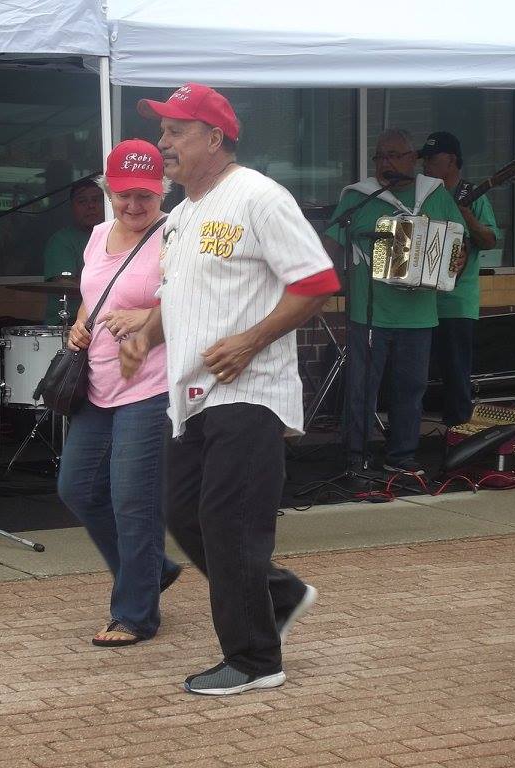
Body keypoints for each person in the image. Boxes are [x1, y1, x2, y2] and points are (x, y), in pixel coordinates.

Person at [121, 83, 337, 695]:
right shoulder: (182, 215)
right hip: (189, 396)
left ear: (215, 139)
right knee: (182, 512)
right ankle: (279, 595)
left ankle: (254, 660)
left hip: (250, 390)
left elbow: (317, 282)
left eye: (177, 131)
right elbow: (179, 294)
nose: (163, 144)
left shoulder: (259, 198)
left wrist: (250, 340)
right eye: (163, 131)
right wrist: (147, 333)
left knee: (229, 522)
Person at [55, 139, 182, 648]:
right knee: (78, 488)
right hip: (98, 383)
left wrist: (147, 320)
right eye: (124, 195)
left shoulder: (175, 233)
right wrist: (80, 327)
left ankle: (134, 614)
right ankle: (153, 569)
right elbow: (92, 296)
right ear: (108, 190)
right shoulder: (99, 234)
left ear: (162, 191)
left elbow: (194, 304)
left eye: (145, 196)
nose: (133, 206)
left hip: (149, 386)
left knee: (133, 500)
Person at [321, 129, 465, 476]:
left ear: (412, 159)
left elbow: (459, 240)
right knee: (361, 389)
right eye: (380, 156)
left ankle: (401, 457)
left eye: (394, 155)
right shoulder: (360, 198)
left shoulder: (435, 195)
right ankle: (356, 457)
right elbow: (331, 246)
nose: (386, 163)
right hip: (369, 312)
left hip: (418, 314)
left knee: (410, 389)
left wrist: (457, 259)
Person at [417, 131, 502, 430]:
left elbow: (490, 239)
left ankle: (458, 439)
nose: (425, 164)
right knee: (417, 374)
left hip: (456, 303)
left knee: (456, 374)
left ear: (451, 160)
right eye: (424, 159)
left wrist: (467, 216)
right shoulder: (425, 195)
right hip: (422, 301)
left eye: (432, 158)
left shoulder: (472, 194)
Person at [42, 178, 104, 324]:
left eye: (96, 200)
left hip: (107, 319)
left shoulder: (116, 235)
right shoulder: (61, 240)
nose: (90, 206)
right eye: (82, 201)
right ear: (72, 207)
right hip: (68, 322)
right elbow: (64, 282)